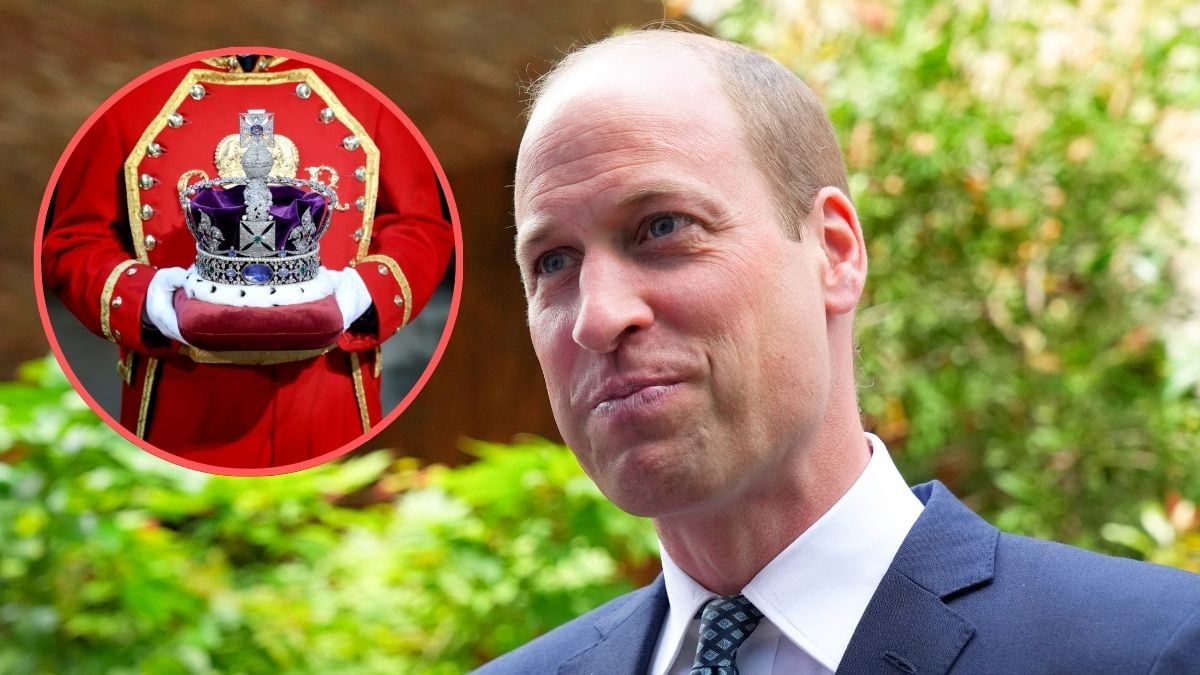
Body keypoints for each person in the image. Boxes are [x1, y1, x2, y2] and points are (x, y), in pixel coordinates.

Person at [480, 30, 1200, 674]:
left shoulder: (1147, 647)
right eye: (552, 263)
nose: (599, 316)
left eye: (661, 226)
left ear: (833, 252)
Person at [42, 53, 454, 470]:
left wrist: (361, 294)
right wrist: (148, 301)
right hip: (180, 396)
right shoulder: (128, 95)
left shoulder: (367, 90)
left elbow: (419, 222)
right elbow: (75, 239)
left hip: (330, 392)